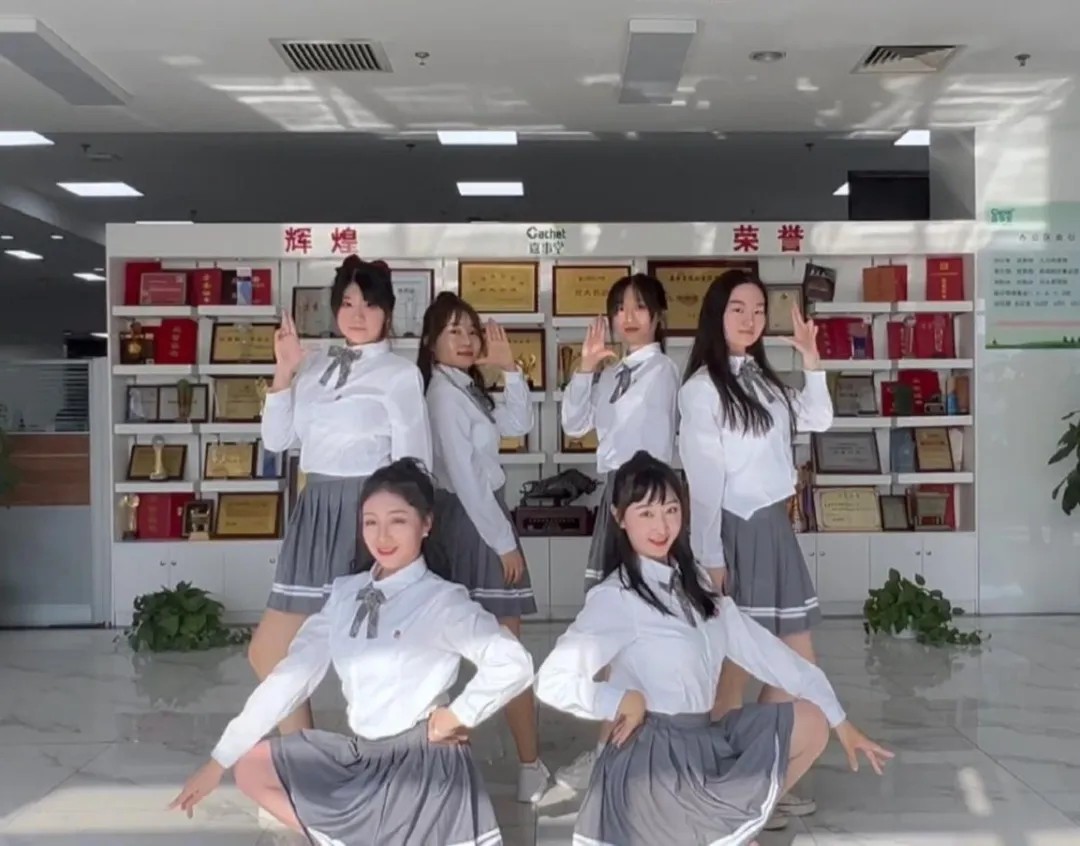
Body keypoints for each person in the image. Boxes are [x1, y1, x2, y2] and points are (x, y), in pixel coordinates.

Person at [170, 458, 533, 846]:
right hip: (363, 755)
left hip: (421, 763)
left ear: (426, 524)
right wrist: (217, 762)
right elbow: (288, 679)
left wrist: (458, 715)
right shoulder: (345, 594)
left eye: (397, 520)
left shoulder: (441, 600)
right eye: (370, 522)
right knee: (253, 765)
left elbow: (513, 663)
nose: (382, 536)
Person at [535, 451, 890, 846]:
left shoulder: (698, 586)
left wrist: (842, 722)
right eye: (646, 513)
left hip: (702, 741)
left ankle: (736, 826)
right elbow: (551, 681)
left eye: (671, 510)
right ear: (620, 518)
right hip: (652, 764)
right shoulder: (615, 597)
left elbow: (769, 655)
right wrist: (619, 700)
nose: (661, 526)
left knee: (811, 721)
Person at [247, 255, 433, 737]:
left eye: (369, 304)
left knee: (380, 651)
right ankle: (305, 761)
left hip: (370, 515)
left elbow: (415, 462)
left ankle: (400, 758)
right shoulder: (313, 367)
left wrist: (407, 534)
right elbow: (277, 440)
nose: (357, 314)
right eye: (347, 303)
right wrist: (284, 373)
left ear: (387, 312)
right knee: (270, 652)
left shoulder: (399, 374)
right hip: (315, 511)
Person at [677, 267, 834, 827]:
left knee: (796, 667)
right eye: (738, 309)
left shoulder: (765, 381)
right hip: (734, 533)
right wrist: (710, 556)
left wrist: (811, 360)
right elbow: (703, 483)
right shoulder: (701, 390)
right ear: (716, 316)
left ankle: (761, 783)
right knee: (733, 673)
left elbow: (818, 418)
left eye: (759, 310)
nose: (750, 319)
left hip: (774, 531)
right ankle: (717, 793)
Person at [418, 291, 550, 803]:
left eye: (471, 330)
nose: (467, 340)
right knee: (502, 648)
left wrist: (510, 369)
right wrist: (503, 543)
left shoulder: (464, 388)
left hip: (479, 516)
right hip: (472, 522)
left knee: (487, 647)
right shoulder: (443, 395)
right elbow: (468, 481)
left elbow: (518, 425)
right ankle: (525, 766)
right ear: (430, 341)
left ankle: (514, 765)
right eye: (454, 331)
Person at [557, 271, 681, 791]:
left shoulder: (664, 371)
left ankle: (637, 746)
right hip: (617, 495)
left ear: (657, 316)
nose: (627, 317)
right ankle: (610, 747)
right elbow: (573, 425)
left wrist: (650, 506)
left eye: (638, 307)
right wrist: (585, 370)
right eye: (619, 308)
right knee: (611, 620)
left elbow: (655, 441)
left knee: (648, 622)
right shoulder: (610, 373)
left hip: (647, 497)